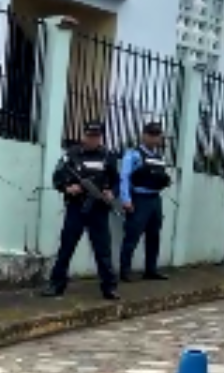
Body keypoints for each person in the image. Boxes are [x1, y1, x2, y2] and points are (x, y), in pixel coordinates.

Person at [40, 120, 120, 300]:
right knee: (66, 247)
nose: (93, 140)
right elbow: (57, 178)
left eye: (97, 136)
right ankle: (56, 285)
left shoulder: (108, 156)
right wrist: (68, 188)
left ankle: (109, 287)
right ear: (84, 135)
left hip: (98, 209)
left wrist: (110, 193)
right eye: (90, 136)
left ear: (101, 137)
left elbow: (116, 181)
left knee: (102, 250)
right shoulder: (71, 155)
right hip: (77, 207)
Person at [118, 122, 172, 282]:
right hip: (139, 199)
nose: (155, 138)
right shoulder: (133, 155)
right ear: (144, 135)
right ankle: (125, 271)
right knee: (132, 236)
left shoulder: (159, 157)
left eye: (157, 135)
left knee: (154, 235)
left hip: (155, 199)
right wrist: (126, 199)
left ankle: (151, 269)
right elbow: (124, 178)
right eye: (151, 135)